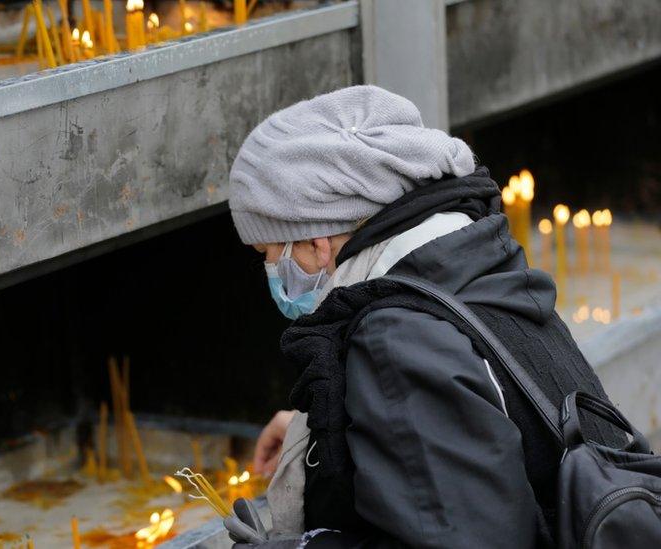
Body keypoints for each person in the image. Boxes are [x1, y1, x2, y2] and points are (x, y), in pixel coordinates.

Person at [224, 86, 622, 548]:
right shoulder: (472, 268)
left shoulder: (396, 339)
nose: (270, 270)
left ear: (316, 242)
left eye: (269, 252)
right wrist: (323, 431)